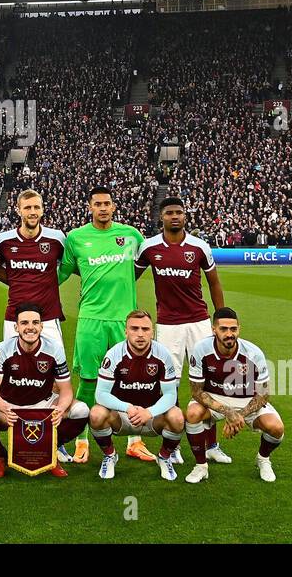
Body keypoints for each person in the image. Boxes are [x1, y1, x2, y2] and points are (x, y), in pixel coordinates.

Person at [134, 196, 229, 465]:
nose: (175, 216)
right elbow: (130, 278)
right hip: (168, 325)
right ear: (161, 217)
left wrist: (219, 318)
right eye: (169, 213)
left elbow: (214, 283)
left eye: (179, 212)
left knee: (207, 382)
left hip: (198, 321)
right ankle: (173, 444)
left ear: (185, 216)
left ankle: (211, 444)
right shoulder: (149, 247)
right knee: (170, 385)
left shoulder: (199, 247)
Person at [58, 186, 149, 464]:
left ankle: (136, 440)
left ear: (114, 206)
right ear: (90, 207)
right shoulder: (75, 238)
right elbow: (62, 273)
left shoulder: (131, 235)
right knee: (88, 380)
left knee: (133, 380)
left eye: (107, 203)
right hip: (91, 319)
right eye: (97, 204)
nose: (103, 208)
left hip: (124, 320)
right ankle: (81, 440)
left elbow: (143, 263)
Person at [0, 303, 89, 479]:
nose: (30, 327)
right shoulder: (3, 350)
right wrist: (6, 408)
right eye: (25, 323)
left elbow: (66, 390)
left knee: (81, 411)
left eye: (35, 323)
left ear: (41, 326)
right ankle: (0, 455)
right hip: (10, 406)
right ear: (16, 327)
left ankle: (50, 451)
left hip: (43, 405)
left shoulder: (54, 349)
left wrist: (59, 409)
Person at [185, 307, 286, 484]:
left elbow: (263, 394)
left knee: (276, 428)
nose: (229, 334)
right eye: (223, 329)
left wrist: (239, 414)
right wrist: (227, 412)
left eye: (233, 329)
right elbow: (196, 391)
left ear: (239, 328)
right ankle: (201, 466)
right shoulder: (201, 349)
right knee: (192, 414)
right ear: (213, 329)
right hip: (214, 397)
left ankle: (263, 459)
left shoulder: (254, 352)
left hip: (247, 400)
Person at [89, 310, 185, 481]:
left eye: (145, 329)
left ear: (152, 332)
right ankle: (110, 455)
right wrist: (128, 408)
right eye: (134, 328)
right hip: (122, 416)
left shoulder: (162, 354)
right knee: (96, 414)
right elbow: (101, 394)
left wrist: (150, 412)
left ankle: (164, 457)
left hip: (151, 417)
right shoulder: (114, 354)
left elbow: (171, 394)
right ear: (126, 331)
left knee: (177, 417)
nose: (140, 334)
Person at [0, 189, 65, 342]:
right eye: (27, 208)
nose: (33, 212)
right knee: (13, 365)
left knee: (54, 364)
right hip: (15, 317)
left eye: (36, 207)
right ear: (18, 210)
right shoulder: (3, 241)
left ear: (43, 209)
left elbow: (73, 265)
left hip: (48, 317)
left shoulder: (57, 238)